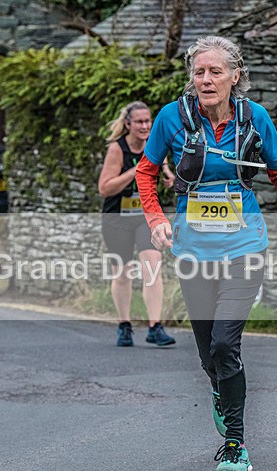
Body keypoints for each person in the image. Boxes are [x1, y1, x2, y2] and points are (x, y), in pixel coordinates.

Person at [135, 36, 277, 471]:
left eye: (216, 72)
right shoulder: (172, 118)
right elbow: (146, 172)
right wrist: (156, 219)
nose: (206, 80)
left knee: (223, 344)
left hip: (243, 248)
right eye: (199, 72)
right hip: (192, 250)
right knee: (206, 352)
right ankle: (219, 389)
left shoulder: (256, 118)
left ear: (236, 76)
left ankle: (235, 445)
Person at [98, 101, 176, 348]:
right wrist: (136, 171)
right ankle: (124, 325)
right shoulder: (117, 149)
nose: (145, 126)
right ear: (128, 124)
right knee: (122, 274)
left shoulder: (154, 144)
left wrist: (168, 175)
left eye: (148, 121)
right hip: (117, 218)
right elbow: (104, 188)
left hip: (145, 216)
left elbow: (163, 166)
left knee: (153, 265)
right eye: (139, 122)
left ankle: (155, 326)